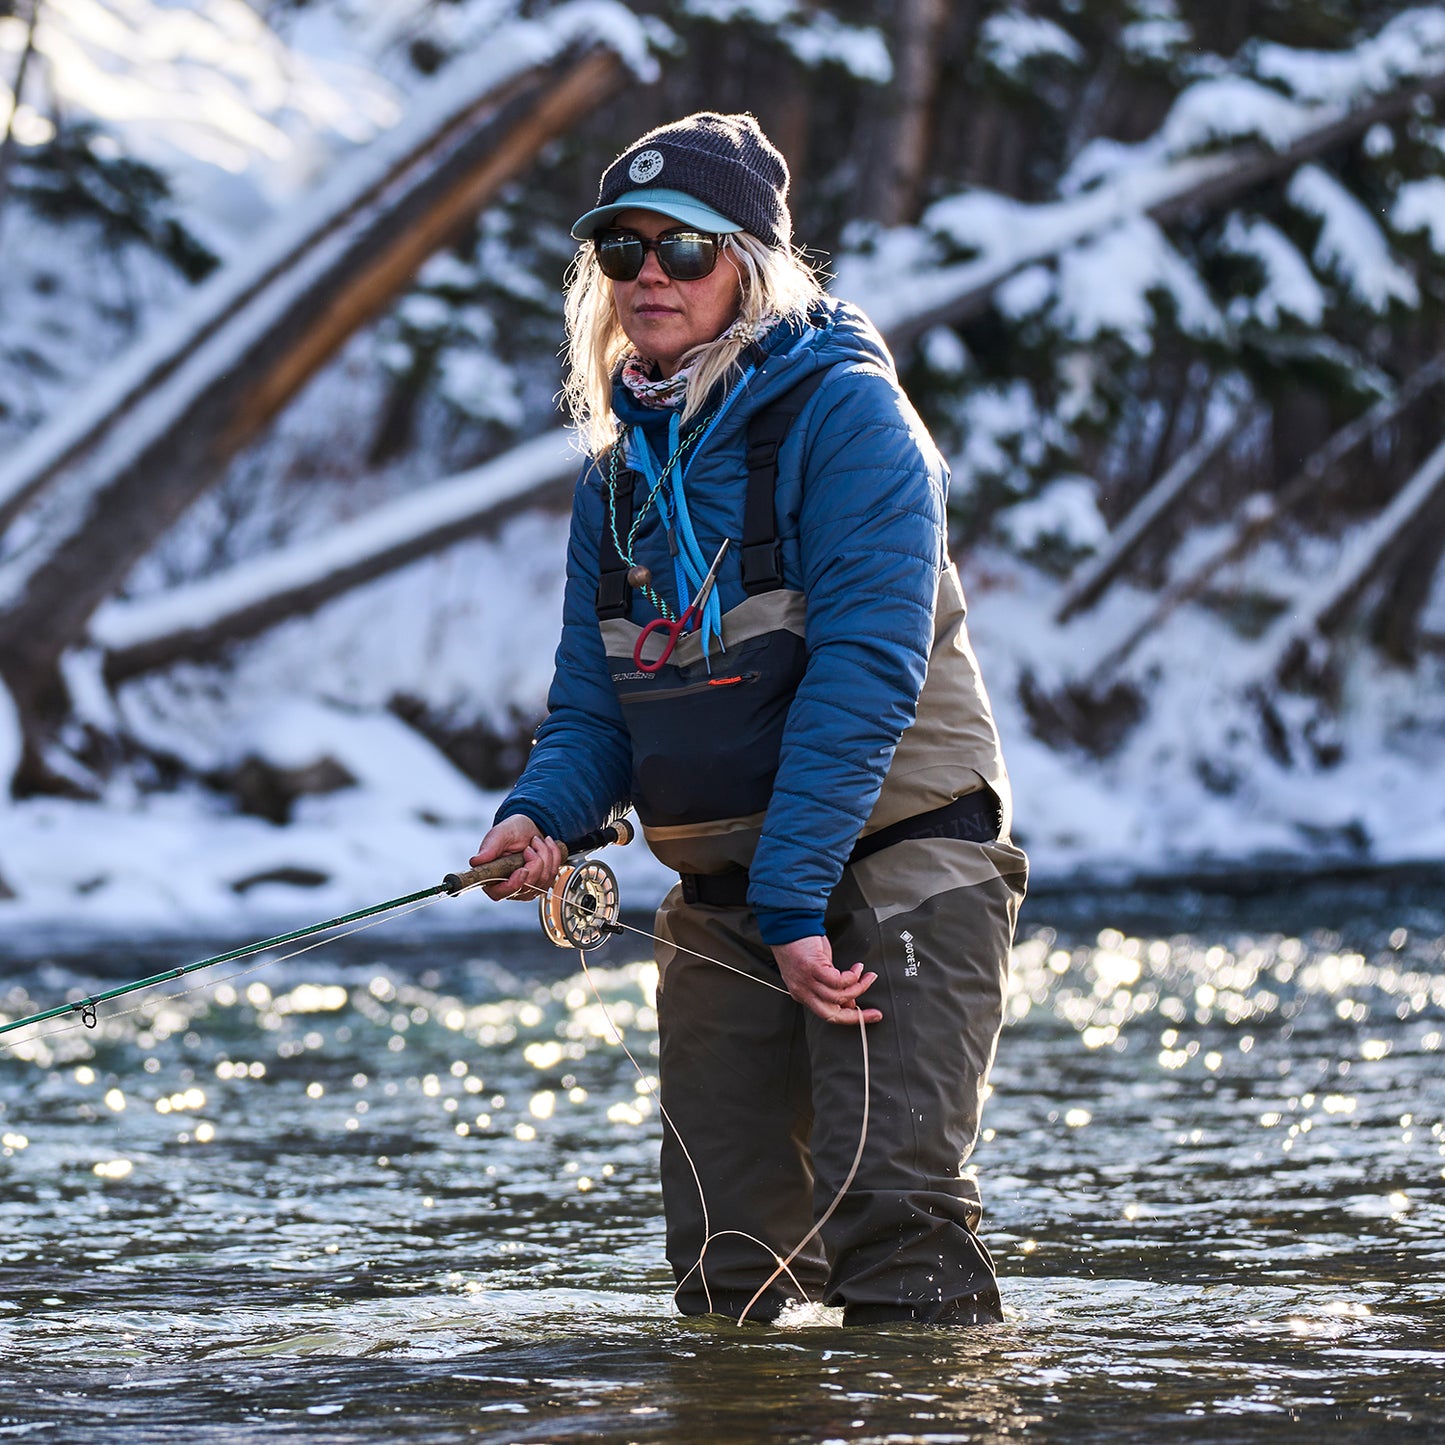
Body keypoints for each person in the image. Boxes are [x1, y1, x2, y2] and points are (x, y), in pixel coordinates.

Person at [470, 112, 1027, 1327]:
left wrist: (791, 904)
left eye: (685, 247)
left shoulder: (851, 421)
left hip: (899, 864)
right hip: (729, 895)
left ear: (752, 268)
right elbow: (592, 708)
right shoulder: (612, 481)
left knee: (895, 1230)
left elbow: (865, 676)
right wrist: (540, 814)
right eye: (622, 252)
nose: (650, 276)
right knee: (725, 1274)